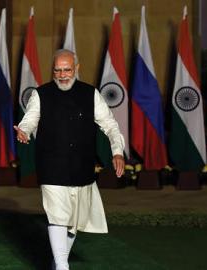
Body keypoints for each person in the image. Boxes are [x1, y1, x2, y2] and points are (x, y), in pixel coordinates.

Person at [14, 49, 125, 270]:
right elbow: (29, 120)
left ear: (77, 68)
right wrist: (24, 131)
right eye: (58, 70)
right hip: (52, 168)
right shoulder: (41, 94)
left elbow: (111, 125)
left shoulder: (91, 94)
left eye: (67, 70)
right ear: (52, 70)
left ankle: (58, 262)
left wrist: (117, 151)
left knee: (74, 222)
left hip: (82, 169)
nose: (63, 75)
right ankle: (63, 266)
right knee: (57, 216)